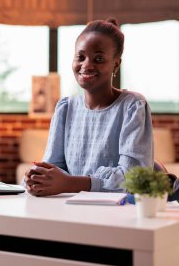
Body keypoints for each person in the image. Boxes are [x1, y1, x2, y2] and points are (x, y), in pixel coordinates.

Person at [25, 18, 154, 197]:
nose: (86, 65)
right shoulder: (65, 108)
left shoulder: (132, 106)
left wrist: (69, 183)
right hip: (69, 210)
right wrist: (37, 179)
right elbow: (53, 168)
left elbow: (134, 179)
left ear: (116, 64)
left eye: (98, 58)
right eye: (81, 57)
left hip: (118, 215)